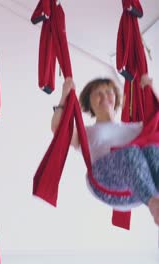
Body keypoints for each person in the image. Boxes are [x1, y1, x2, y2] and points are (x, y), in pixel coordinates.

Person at [51, 74, 159, 225]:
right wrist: (65, 95)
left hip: (140, 187)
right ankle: (153, 203)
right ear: (89, 103)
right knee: (130, 152)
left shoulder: (136, 127)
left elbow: (156, 120)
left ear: (116, 98)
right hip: (106, 183)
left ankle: (155, 198)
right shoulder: (87, 132)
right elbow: (58, 129)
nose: (105, 96)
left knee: (153, 148)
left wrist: (150, 87)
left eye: (109, 91)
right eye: (97, 93)